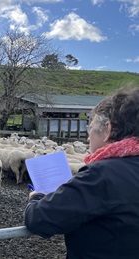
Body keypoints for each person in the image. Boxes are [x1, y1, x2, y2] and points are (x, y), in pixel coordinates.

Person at [24, 86, 139, 259]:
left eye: (90, 127)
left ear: (107, 130)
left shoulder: (101, 174)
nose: (87, 137)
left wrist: (37, 197)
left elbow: (40, 218)